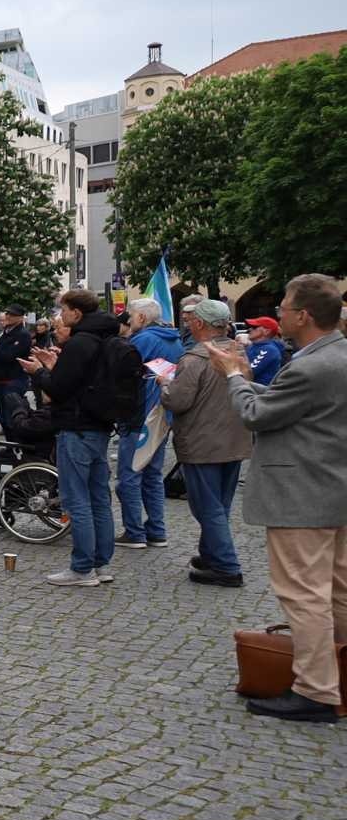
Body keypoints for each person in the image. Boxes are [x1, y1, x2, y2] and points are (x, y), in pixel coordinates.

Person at [208, 274, 346, 723]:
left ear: (303, 315)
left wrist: (233, 376)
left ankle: (316, 690)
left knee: (304, 595)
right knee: (338, 592)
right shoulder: (336, 355)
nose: (280, 312)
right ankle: (338, 675)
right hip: (334, 489)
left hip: (301, 493)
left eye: (284, 306)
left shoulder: (309, 365)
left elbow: (255, 415)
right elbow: (298, 407)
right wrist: (249, 379)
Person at [21, 289, 123, 587]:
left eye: (63, 310)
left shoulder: (81, 342)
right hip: (100, 425)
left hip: (77, 427)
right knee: (98, 498)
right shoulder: (108, 338)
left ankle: (82, 568)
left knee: (76, 500)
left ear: (77, 313)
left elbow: (60, 388)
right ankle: (101, 564)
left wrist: (40, 372)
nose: (60, 316)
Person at [161, 298, 252, 587]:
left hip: (202, 442)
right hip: (234, 439)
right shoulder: (237, 353)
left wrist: (164, 384)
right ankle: (211, 553)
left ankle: (226, 566)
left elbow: (178, 400)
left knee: (207, 507)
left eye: (190, 320)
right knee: (219, 503)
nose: (187, 323)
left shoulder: (194, 359)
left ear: (199, 323)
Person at [115, 298, 183, 551]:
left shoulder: (142, 340)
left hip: (139, 416)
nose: (129, 321)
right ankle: (156, 530)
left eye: (131, 316)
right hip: (162, 416)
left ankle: (134, 532)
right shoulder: (174, 340)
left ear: (142, 318)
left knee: (130, 476)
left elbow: (122, 375)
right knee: (152, 475)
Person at [0, 304, 34, 424]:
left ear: (21, 318)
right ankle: (9, 440)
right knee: (3, 418)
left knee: (11, 419)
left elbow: (9, 356)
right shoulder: (6, 333)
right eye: (7, 313)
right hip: (0, 380)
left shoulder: (23, 335)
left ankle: (14, 441)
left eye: (12, 315)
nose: (8, 316)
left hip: (13, 380)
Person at [243, 316, 285, 385]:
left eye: (254, 327)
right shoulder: (252, 346)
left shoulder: (269, 350)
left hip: (259, 393)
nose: (249, 329)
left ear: (267, 331)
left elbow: (248, 372)